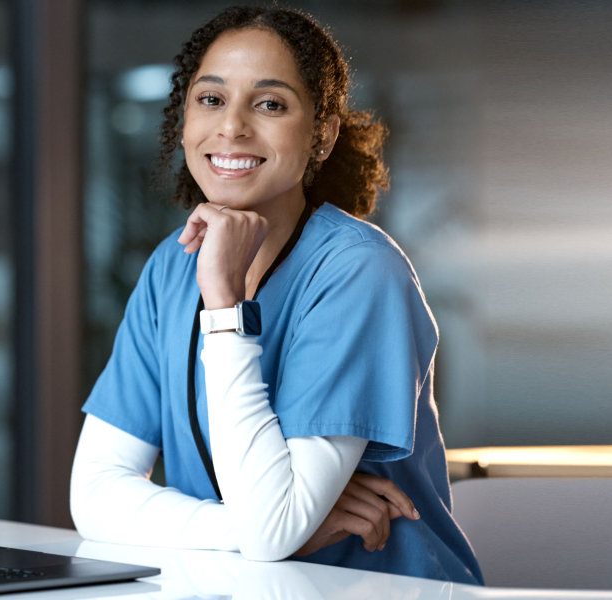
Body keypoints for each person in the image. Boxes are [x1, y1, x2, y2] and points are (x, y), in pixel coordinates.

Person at [70, 5, 482, 585]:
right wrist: (247, 530)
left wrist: (223, 308)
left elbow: (272, 531)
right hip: (241, 586)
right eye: (211, 99)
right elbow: (94, 496)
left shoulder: (357, 271)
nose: (232, 127)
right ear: (184, 121)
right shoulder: (170, 266)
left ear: (322, 135)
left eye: (269, 104)